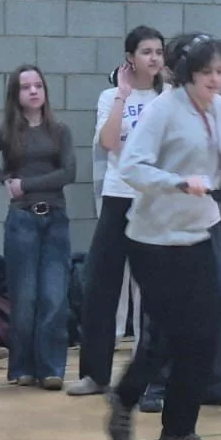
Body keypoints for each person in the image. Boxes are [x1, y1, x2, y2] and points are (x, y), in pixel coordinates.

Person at [106, 34, 221, 440]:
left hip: (200, 233)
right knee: (172, 333)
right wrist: (178, 182)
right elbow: (131, 167)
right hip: (153, 239)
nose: (216, 80)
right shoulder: (163, 110)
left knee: (207, 330)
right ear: (188, 74)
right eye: (207, 72)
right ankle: (126, 394)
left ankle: (178, 431)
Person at [68, 26, 164, 396]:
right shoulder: (110, 97)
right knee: (100, 284)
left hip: (155, 200)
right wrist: (123, 97)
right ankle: (95, 374)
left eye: (158, 52)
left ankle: (150, 373)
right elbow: (108, 142)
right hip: (118, 195)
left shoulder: (169, 98)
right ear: (130, 58)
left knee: (154, 290)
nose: (154, 58)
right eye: (146, 51)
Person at [0, 65, 76, 389]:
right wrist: (3, 178)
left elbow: (68, 173)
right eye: (25, 87)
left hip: (55, 220)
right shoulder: (9, 132)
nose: (33, 91)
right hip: (22, 221)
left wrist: (26, 184)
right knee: (25, 298)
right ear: (16, 94)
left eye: (38, 85)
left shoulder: (59, 131)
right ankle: (21, 366)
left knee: (54, 297)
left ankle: (51, 368)